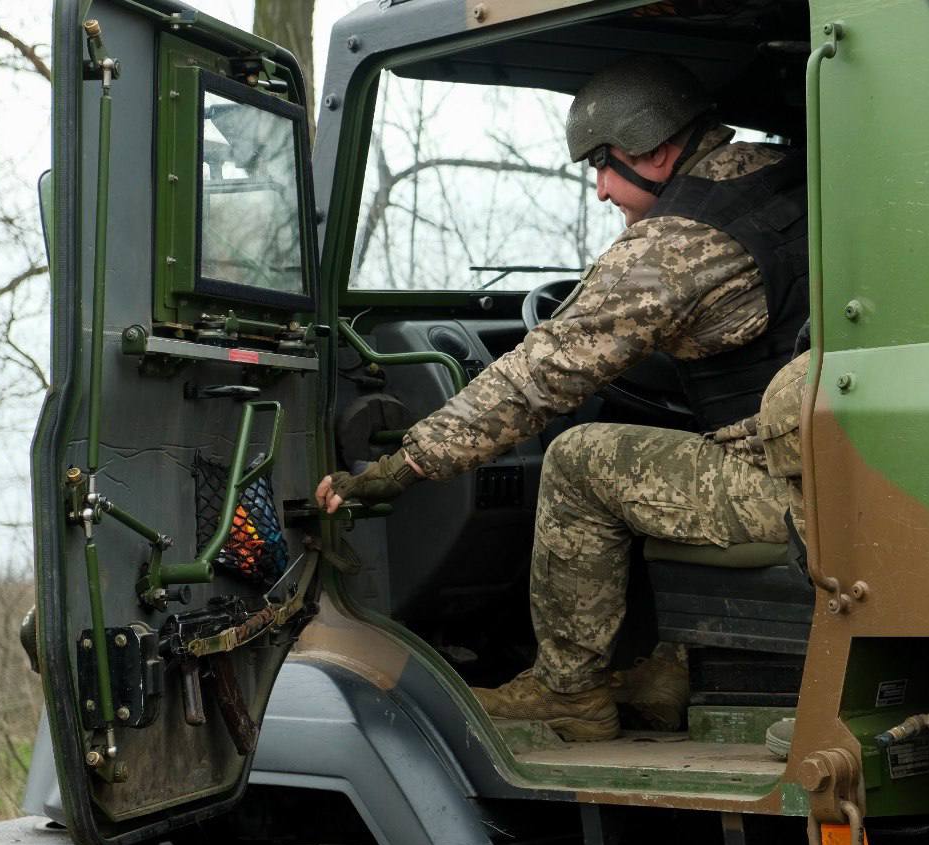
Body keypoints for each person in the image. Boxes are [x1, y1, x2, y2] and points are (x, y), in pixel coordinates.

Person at [316, 54, 810, 742]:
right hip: (840, 464)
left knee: (580, 458)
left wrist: (402, 465)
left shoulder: (673, 249)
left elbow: (538, 375)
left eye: (603, 165)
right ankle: (671, 664)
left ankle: (568, 690)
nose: (603, 190)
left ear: (659, 149)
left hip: (790, 492)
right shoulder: (782, 170)